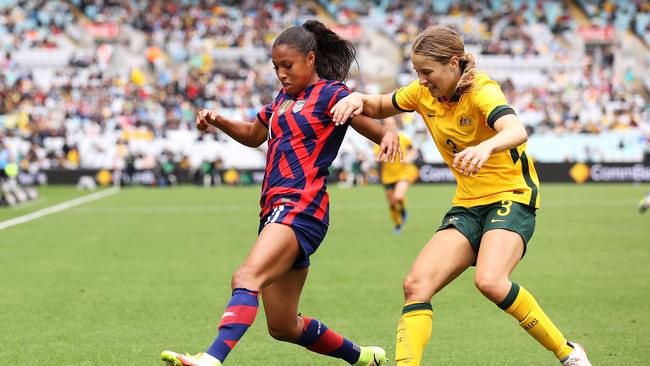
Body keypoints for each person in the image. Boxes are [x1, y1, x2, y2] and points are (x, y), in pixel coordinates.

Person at [331, 25, 592, 366]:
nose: (421, 80)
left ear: (453, 64)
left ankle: (569, 355)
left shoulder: (482, 91)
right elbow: (380, 105)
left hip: (511, 196)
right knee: (416, 285)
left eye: (427, 72)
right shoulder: (422, 94)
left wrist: (487, 145)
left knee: (490, 281)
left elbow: (516, 130)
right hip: (467, 205)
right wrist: (356, 98)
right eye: (416, 73)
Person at [161, 20, 400, 366]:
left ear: (310, 59)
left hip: (302, 205)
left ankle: (210, 360)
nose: (281, 74)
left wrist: (388, 134)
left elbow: (370, 119)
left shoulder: (332, 94)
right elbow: (254, 135)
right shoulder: (282, 101)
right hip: (276, 210)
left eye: (288, 66)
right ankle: (364, 358)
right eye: (276, 68)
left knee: (246, 277)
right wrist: (217, 119)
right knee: (284, 326)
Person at [375, 116, 419, 233]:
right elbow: (376, 157)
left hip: (404, 171)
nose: (390, 126)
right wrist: (387, 155)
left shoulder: (403, 138)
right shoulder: (380, 140)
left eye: (391, 124)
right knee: (393, 204)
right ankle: (398, 223)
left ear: (396, 125)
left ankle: (403, 209)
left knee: (398, 196)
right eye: (387, 124)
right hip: (388, 175)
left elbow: (413, 150)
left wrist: (409, 157)